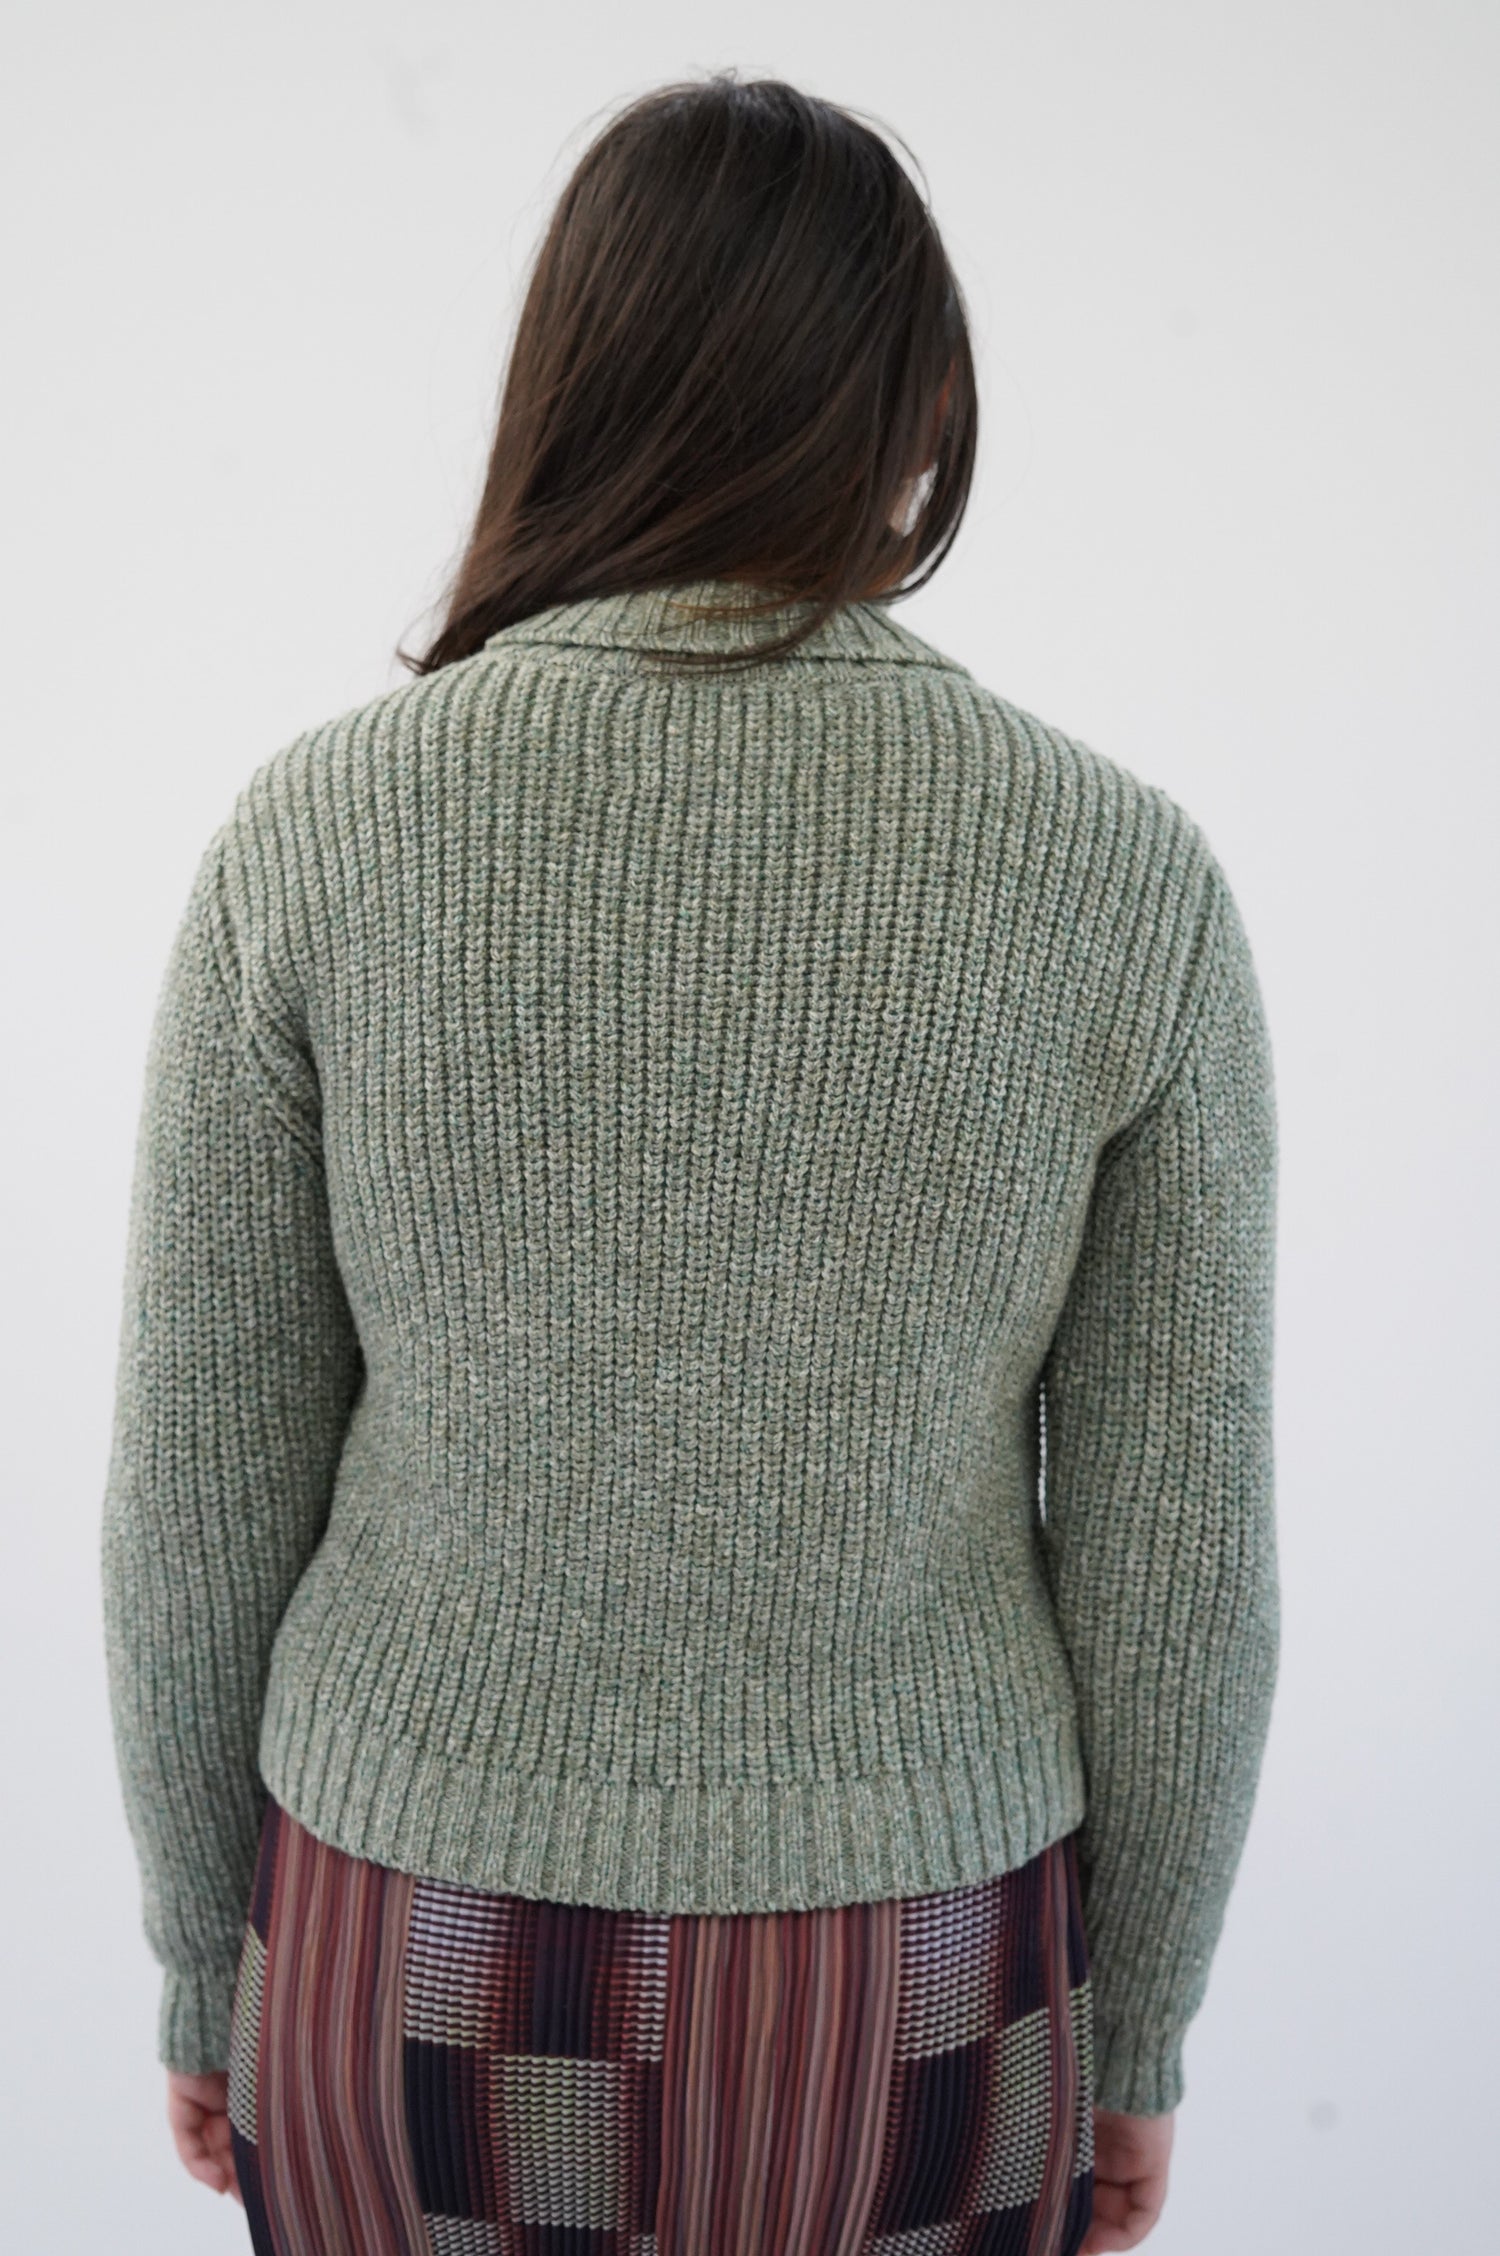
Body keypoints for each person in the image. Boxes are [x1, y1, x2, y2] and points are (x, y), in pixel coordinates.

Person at [100, 69, 1278, 2256]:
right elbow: (1176, 1552)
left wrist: (201, 1954)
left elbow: (201, 1477)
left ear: (569, 386)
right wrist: (1141, 2030)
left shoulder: (321, 835)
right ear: (919, 414)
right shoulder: (1122, 879)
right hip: (918, 1973)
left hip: (401, 1939)